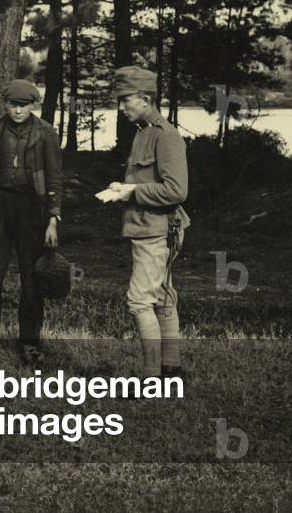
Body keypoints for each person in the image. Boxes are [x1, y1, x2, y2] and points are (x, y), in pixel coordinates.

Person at [102, 66, 191, 377]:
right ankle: (171, 368)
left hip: (157, 229)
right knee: (163, 296)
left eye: (125, 99)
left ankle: (151, 377)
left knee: (139, 302)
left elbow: (176, 190)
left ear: (144, 98)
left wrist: (131, 191)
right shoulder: (144, 133)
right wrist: (124, 188)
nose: (122, 106)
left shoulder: (166, 137)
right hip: (149, 227)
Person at [0, 79, 64, 366]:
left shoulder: (46, 133)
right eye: (13, 104)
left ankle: (29, 343)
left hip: (32, 213)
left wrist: (53, 218)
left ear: (33, 105)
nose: (18, 110)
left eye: (24, 105)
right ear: (6, 104)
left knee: (31, 281)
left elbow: (54, 178)